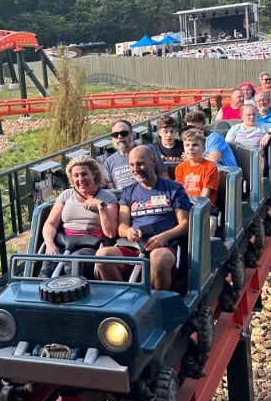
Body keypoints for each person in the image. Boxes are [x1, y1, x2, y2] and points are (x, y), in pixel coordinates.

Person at [95, 146, 191, 290]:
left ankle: (155, 303)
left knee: (159, 258)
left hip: (165, 246)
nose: (136, 169)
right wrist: (128, 232)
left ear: (153, 162)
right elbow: (121, 227)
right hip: (136, 246)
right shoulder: (128, 192)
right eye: (132, 165)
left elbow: (185, 224)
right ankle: (123, 299)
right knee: (103, 255)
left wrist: (163, 237)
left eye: (140, 164)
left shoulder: (174, 189)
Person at [40, 155, 118, 278]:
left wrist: (101, 206)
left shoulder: (107, 198)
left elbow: (110, 234)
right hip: (65, 241)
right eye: (76, 175)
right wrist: (50, 243)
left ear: (94, 175)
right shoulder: (66, 195)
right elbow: (50, 223)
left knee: (72, 263)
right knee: (49, 265)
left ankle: (75, 294)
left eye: (84, 174)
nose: (80, 179)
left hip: (91, 244)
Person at [175, 129, 220, 235]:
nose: (190, 148)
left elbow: (205, 194)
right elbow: (179, 191)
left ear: (203, 149)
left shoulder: (210, 167)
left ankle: (208, 250)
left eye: (195, 145)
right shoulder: (180, 168)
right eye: (187, 145)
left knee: (210, 225)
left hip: (204, 208)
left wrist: (194, 208)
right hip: (185, 206)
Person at [103, 119, 169, 192]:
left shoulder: (148, 150)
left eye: (124, 133)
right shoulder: (109, 162)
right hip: (122, 199)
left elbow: (164, 176)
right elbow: (111, 191)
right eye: (115, 134)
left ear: (132, 135)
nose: (119, 137)